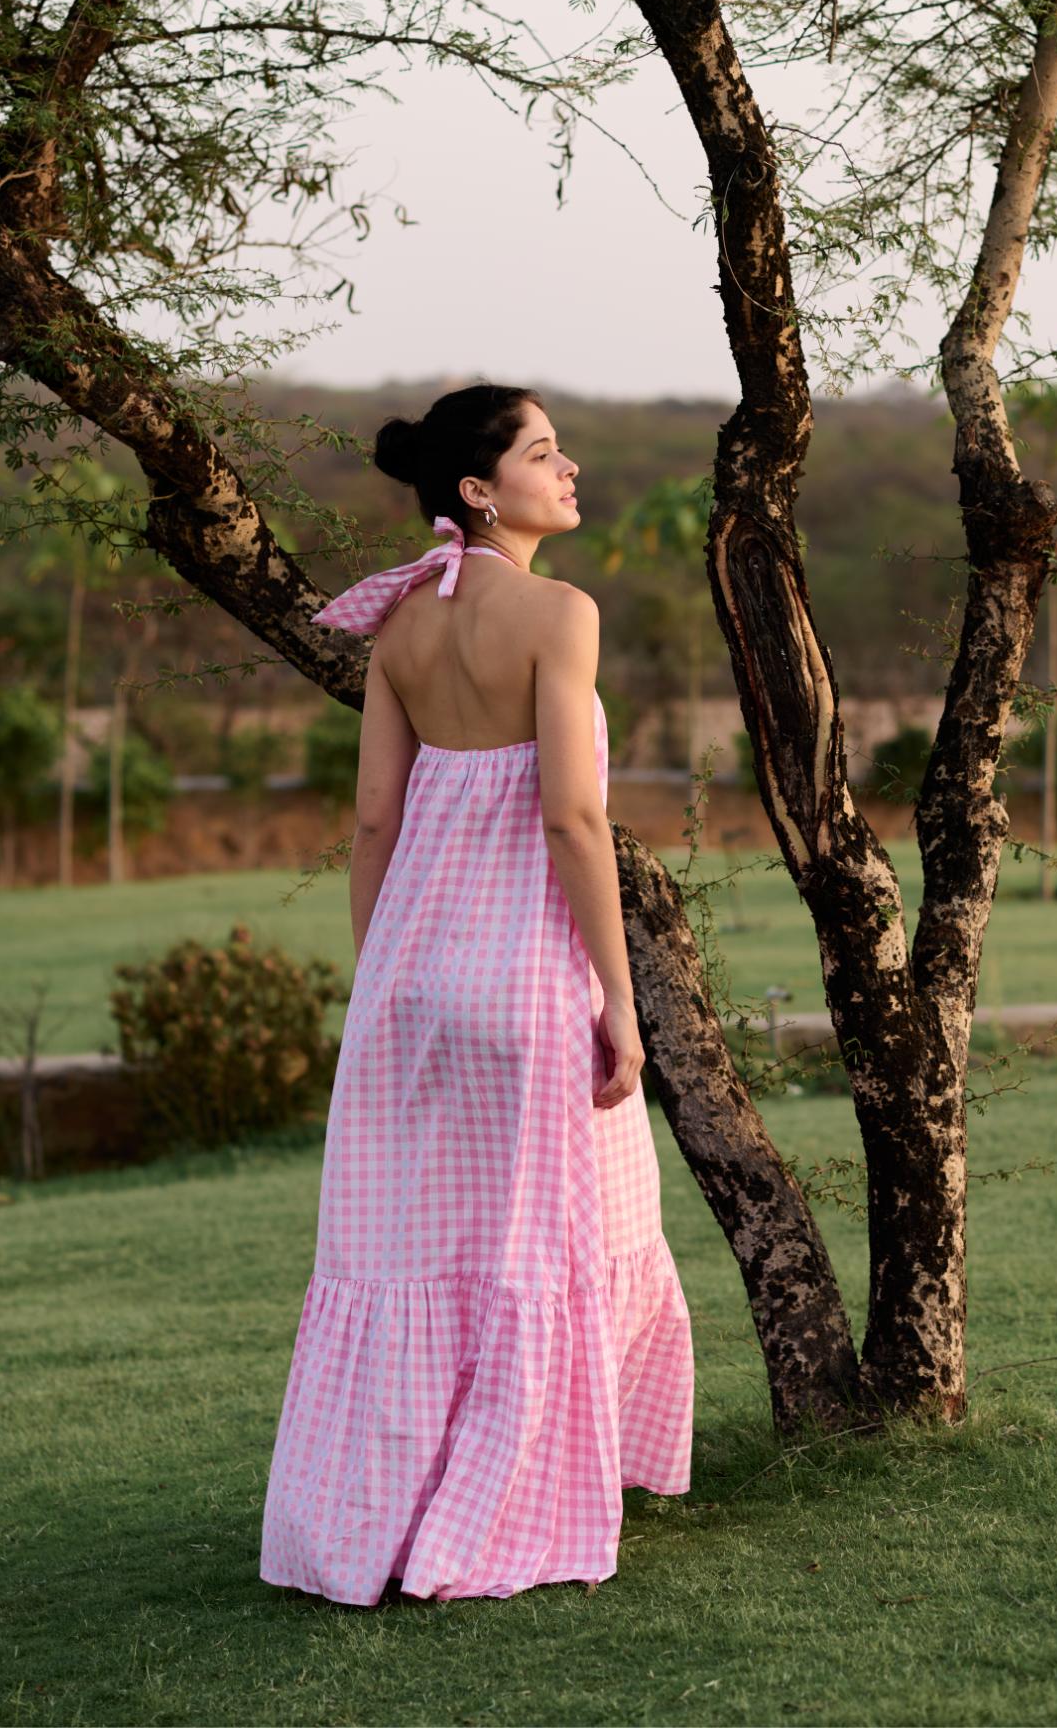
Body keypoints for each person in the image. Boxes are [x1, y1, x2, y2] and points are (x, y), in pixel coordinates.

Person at [259, 382, 695, 1606]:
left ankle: (372, 1518)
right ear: (477, 486)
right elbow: (571, 814)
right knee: (547, 1246)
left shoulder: (399, 628)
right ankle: (513, 1497)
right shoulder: (561, 611)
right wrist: (618, 994)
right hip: (524, 973)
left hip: (410, 978)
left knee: (413, 1251)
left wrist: (381, 977)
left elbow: (373, 818)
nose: (571, 468)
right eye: (545, 452)